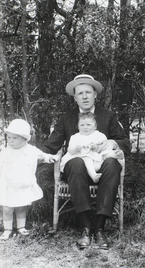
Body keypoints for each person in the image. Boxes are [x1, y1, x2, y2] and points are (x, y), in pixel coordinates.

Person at [42, 74, 131, 249]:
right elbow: (52, 145)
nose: (84, 96)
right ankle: (85, 227)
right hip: (77, 171)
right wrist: (29, 156)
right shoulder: (67, 118)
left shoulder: (107, 116)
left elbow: (125, 142)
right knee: (74, 163)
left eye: (88, 92)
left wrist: (112, 142)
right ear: (74, 97)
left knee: (113, 164)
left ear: (95, 94)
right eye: (80, 93)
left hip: (102, 168)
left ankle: (99, 228)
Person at [0, 119, 59, 240]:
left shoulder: (31, 150)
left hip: (23, 185)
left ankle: (21, 227)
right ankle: (7, 229)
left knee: (21, 206)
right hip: (8, 185)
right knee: (7, 208)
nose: (10, 141)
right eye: (9, 137)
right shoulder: (5, 152)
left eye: (14, 138)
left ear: (25, 139)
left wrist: (51, 157)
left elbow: (43, 155)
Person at [60, 112, 124, 183]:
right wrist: (76, 148)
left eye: (88, 125)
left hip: (98, 159)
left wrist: (96, 146)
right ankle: (94, 175)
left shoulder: (98, 135)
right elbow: (70, 150)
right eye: (82, 125)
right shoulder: (75, 137)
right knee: (87, 159)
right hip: (83, 163)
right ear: (78, 127)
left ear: (95, 126)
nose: (85, 127)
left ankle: (116, 155)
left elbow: (104, 144)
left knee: (106, 153)